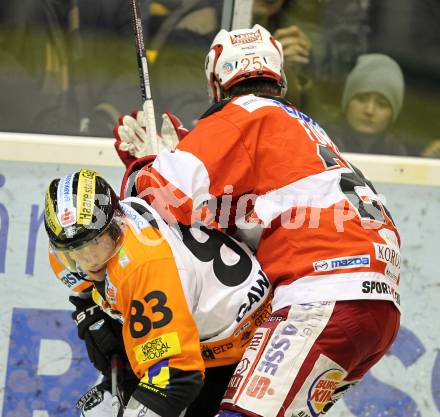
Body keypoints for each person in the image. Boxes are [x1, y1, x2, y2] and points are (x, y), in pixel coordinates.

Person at [113, 24, 401, 417]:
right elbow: (233, 218)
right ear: (278, 77)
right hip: (376, 304)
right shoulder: (302, 126)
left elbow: (158, 196)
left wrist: (143, 163)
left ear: (217, 83)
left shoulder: (240, 116)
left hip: (324, 294)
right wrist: (178, 150)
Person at [44, 169, 272, 417]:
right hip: (198, 327)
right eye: (74, 252)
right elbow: (86, 290)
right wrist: (93, 313)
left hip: (244, 343)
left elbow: (177, 378)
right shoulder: (70, 252)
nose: (88, 261)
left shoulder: (140, 266)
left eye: (95, 243)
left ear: (115, 225)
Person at [323, 53, 407, 155]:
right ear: (347, 103)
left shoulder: (399, 154)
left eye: (382, 104)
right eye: (361, 99)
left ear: (393, 114)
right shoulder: (320, 142)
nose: (369, 111)